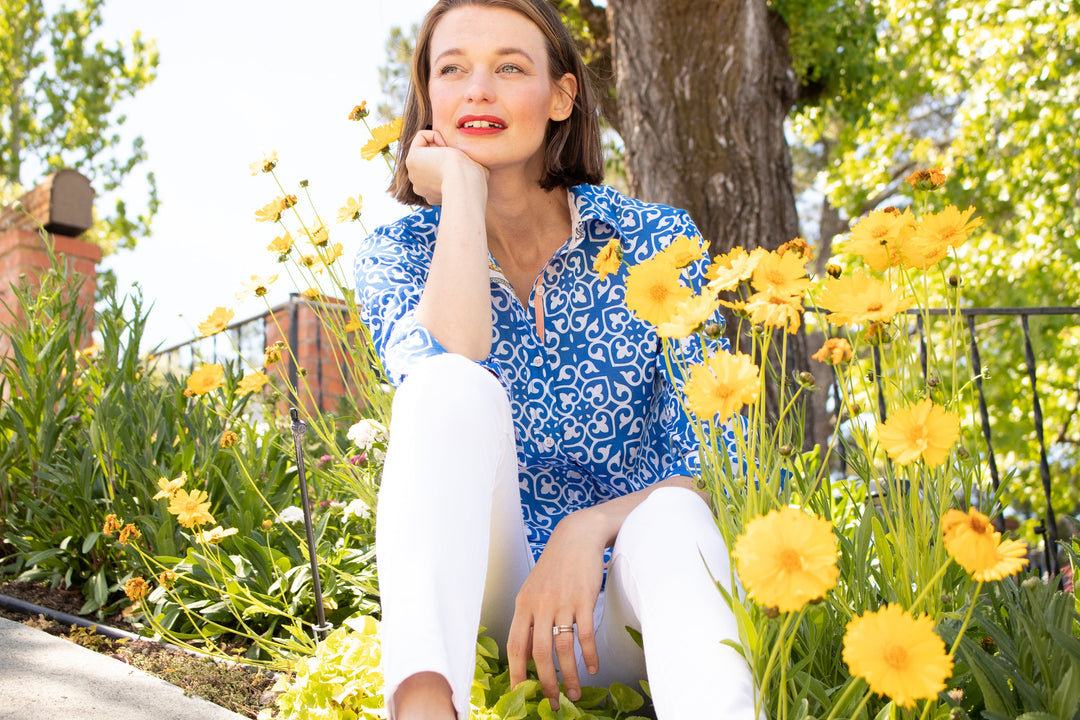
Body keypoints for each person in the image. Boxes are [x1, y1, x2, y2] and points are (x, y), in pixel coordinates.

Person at [353, 1, 757, 718]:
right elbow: (452, 364)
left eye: (510, 66)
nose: (478, 89)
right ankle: (422, 709)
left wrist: (590, 526)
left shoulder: (654, 239)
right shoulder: (399, 252)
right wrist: (464, 199)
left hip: (632, 606)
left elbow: (718, 461)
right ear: (429, 99)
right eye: (452, 70)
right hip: (496, 606)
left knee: (672, 519)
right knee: (445, 386)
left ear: (561, 95)